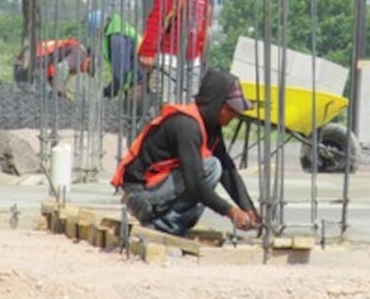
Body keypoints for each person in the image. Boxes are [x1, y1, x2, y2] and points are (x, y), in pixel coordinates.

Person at [110, 70, 260, 238]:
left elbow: (228, 170)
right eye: (231, 110)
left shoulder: (210, 127)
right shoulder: (186, 126)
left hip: (157, 188)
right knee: (211, 168)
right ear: (217, 104)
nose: (234, 116)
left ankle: (170, 224)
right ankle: (163, 228)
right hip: (140, 195)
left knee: (216, 167)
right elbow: (195, 184)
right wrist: (231, 212)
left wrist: (248, 208)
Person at [138, 0, 232, 103]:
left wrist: (200, 57)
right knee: (165, 112)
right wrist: (148, 50)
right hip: (169, 61)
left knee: (187, 113)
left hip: (192, 63)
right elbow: (159, 16)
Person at [88, 11, 144, 99]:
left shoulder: (117, 38)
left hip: (139, 80)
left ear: (98, 28)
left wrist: (112, 88)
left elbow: (122, 70)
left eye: (95, 32)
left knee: (134, 109)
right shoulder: (118, 28)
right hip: (139, 76)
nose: (97, 36)